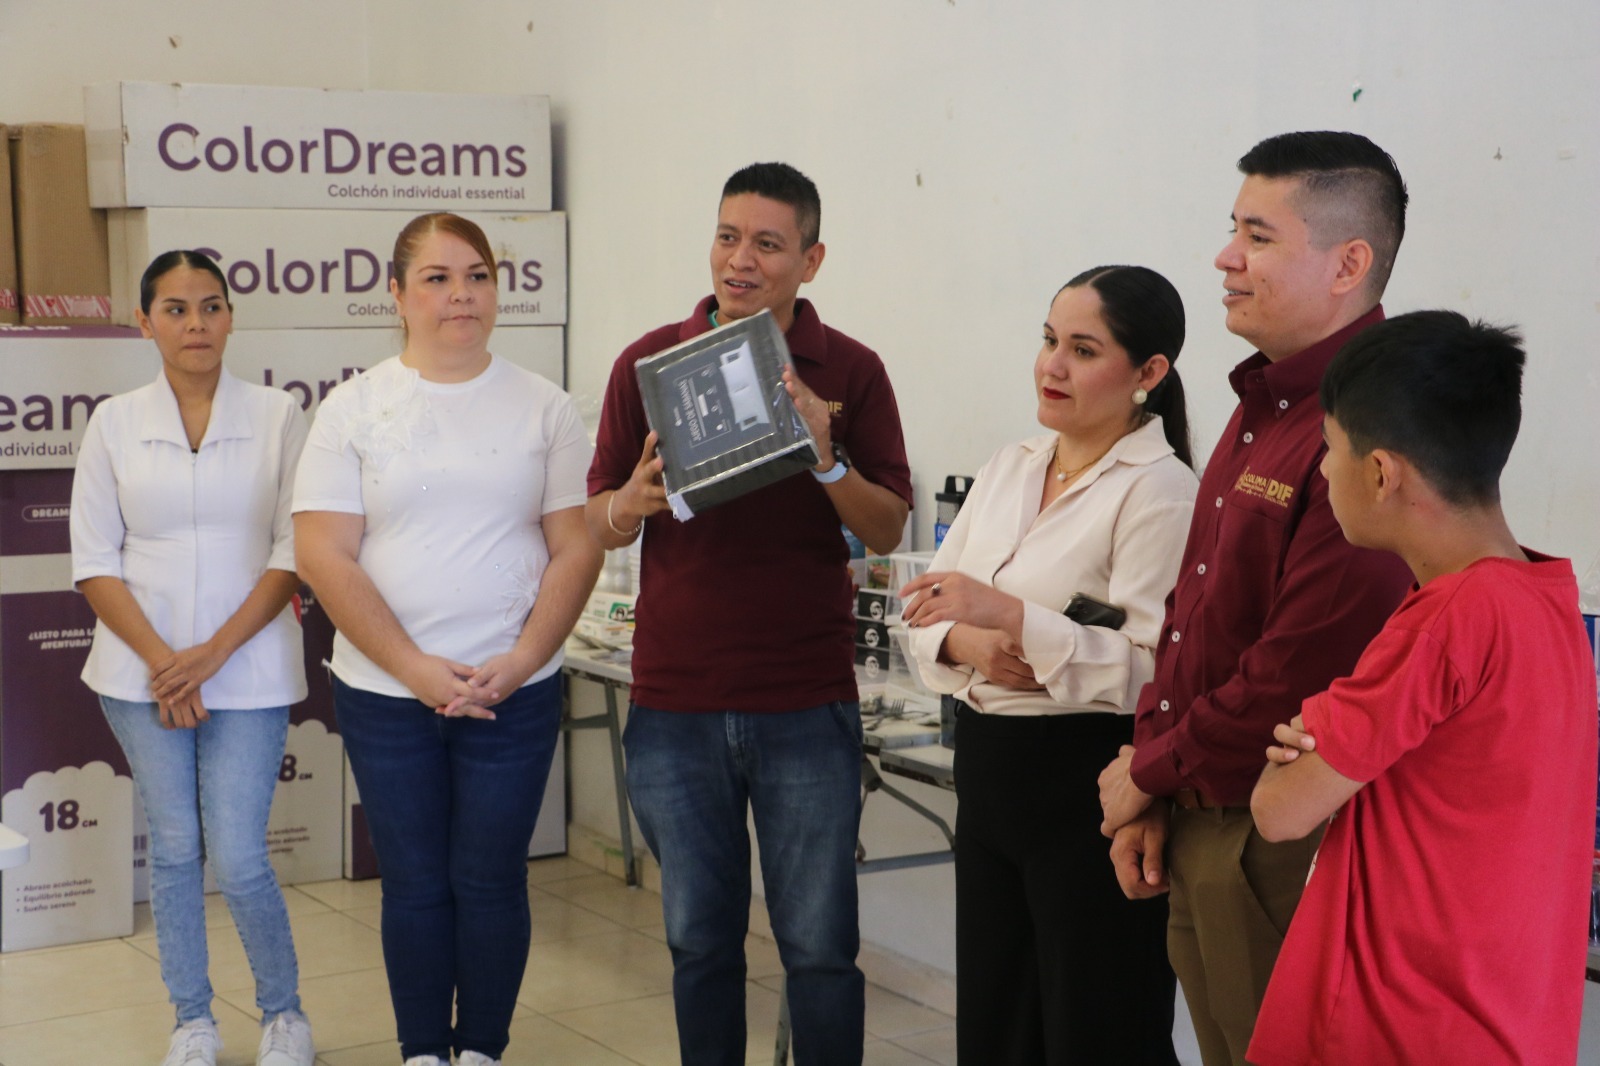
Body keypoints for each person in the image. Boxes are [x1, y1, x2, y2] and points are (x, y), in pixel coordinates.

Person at [1095, 131, 1416, 1066]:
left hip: (1276, 829)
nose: (1225, 258)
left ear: (1347, 264)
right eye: (1233, 229)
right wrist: (1156, 774)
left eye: (1259, 237)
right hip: (1202, 810)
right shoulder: (1264, 401)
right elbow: (1195, 618)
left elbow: (1298, 667)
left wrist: (1150, 770)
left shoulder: (1370, 420)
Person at [586, 162, 911, 1065]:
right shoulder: (652, 365)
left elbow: (887, 528)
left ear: (811, 259)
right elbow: (594, 521)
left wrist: (826, 456)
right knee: (699, 942)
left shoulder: (851, 371)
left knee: (819, 947)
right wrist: (633, 501)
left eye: (768, 244)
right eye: (728, 237)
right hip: (676, 701)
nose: (741, 260)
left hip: (804, 700)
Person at [1246, 311, 1598, 1064]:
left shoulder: (1444, 622)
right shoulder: (1549, 600)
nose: (1324, 473)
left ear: (1381, 473)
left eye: (1329, 449)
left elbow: (1279, 809)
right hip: (1507, 1021)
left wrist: (1309, 728)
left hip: (1396, 1026)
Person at [292, 212, 602, 1066]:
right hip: (385, 692)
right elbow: (322, 553)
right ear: (396, 295)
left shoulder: (544, 407)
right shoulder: (352, 409)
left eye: (477, 276)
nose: (461, 295)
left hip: (514, 689)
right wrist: (415, 668)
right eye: (436, 278)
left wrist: (525, 658)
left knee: (491, 878)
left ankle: (482, 1051)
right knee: (416, 880)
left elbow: (575, 546)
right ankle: (425, 1051)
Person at [901, 266, 1196, 1064]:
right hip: (990, 772)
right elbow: (920, 611)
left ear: (1148, 372)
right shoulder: (1013, 464)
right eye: (1048, 340)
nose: (1052, 366)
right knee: (997, 1021)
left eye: (1083, 350)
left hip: (1086, 784)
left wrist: (1011, 619)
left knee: (1096, 1026)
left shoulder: (1161, 490)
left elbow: (1153, 673)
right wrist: (969, 644)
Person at [70, 251, 315, 1066]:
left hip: (249, 666)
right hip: (139, 673)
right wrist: (165, 662)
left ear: (231, 318)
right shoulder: (113, 422)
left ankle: (283, 1016)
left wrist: (211, 654)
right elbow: (94, 561)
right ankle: (193, 1022)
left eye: (211, 306)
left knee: (240, 856)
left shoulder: (279, 415)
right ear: (145, 323)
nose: (196, 324)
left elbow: (293, 549)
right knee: (175, 848)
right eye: (175, 309)